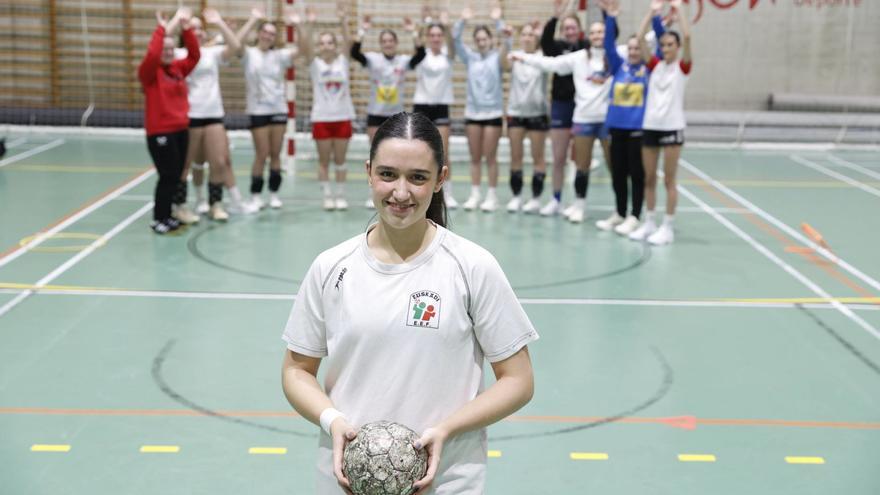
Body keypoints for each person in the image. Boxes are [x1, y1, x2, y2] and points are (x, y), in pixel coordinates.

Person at [281, 112, 537, 495]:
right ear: (368, 172)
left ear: (440, 180)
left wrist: (446, 430)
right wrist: (332, 420)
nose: (401, 192)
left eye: (417, 177)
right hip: (346, 484)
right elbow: (297, 370)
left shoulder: (472, 267)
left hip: (447, 481)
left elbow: (518, 380)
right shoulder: (331, 267)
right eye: (387, 174)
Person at [513, 21, 612, 224]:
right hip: (577, 113)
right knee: (572, 162)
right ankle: (569, 202)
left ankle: (623, 211)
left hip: (605, 117)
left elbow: (638, 45)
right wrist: (522, 56)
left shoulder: (614, 54)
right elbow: (550, 63)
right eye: (594, 32)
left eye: (601, 31)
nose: (597, 35)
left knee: (616, 166)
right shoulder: (574, 56)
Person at [174, 8, 257, 222]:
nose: (198, 32)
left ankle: (215, 204)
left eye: (201, 29)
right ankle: (182, 205)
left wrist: (219, 22)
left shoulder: (211, 53)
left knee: (219, 161)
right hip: (190, 116)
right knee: (187, 164)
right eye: (193, 29)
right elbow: (162, 40)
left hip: (213, 115)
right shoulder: (178, 54)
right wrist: (178, 20)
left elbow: (236, 46)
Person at [628, 0, 692, 245]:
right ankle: (649, 223)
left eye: (670, 45)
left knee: (669, 180)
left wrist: (680, 9)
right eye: (663, 44)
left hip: (673, 128)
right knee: (649, 178)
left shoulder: (682, 67)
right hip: (651, 126)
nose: (666, 48)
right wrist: (652, 12)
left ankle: (668, 226)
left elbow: (687, 36)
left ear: (677, 47)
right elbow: (641, 37)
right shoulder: (654, 66)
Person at [594, 0, 659, 235]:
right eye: (630, 48)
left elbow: (658, 44)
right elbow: (609, 45)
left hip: (637, 131)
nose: (632, 52)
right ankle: (620, 212)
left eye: (636, 48)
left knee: (636, 175)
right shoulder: (619, 66)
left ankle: (634, 215)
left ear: (642, 50)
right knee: (618, 174)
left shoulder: (649, 69)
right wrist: (610, 18)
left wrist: (655, 16)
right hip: (616, 130)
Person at [349, 13, 426, 208]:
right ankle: (372, 192)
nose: (388, 43)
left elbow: (421, 55)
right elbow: (355, 53)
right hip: (375, 114)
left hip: (396, 117)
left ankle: (396, 190)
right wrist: (362, 30)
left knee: (396, 156)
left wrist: (413, 33)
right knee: (376, 155)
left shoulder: (402, 61)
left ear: (396, 43)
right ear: (381, 43)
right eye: (384, 41)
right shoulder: (373, 60)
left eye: (391, 40)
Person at [138, 7, 199, 234]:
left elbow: (194, 55)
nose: (168, 52)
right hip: (160, 132)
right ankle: (159, 218)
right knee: (168, 175)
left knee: (177, 175)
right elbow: (153, 54)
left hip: (181, 129)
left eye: (172, 49)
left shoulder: (178, 69)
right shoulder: (149, 73)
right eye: (165, 48)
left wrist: (187, 29)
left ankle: (169, 214)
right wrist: (161, 29)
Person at [236, 8, 300, 210]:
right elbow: (235, 43)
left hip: (278, 109)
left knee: (275, 153)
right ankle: (256, 194)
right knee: (261, 153)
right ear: (259, 33)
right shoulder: (249, 54)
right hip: (257, 111)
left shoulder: (280, 56)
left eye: (272, 34)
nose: (268, 36)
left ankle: (274, 193)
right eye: (265, 32)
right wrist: (252, 19)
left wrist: (298, 25)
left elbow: (305, 50)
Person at [452, 4, 510, 212]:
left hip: (493, 113)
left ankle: (491, 195)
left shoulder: (497, 57)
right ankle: (475, 194)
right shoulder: (470, 58)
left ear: (490, 40)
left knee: (490, 156)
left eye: (484, 39)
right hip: (473, 114)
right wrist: (462, 20)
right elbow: (456, 40)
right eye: (478, 40)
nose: (481, 42)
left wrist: (498, 21)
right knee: (475, 157)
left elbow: (508, 43)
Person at [302, 4, 354, 211]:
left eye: (330, 42)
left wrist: (342, 20)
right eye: (322, 43)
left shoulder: (343, 62)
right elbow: (305, 46)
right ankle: (327, 195)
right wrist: (310, 25)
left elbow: (349, 42)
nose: (326, 46)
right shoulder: (315, 65)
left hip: (342, 117)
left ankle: (340, 195)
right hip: (322, 118)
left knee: (340, 160)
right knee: (324, 161)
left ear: (335, 45)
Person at [539, 0, 588, 217]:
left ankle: (578, 201)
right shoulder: (557, 48)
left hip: (581, 106)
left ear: (579, 30)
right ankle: (556, 199)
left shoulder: (586, 48)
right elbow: (545, 42)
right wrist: (555, 18)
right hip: (560, 106)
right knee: (558, 158)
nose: (569, 31)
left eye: (573, 28)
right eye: (566, 28)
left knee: (579, 160)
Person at [502, 22, 548, 213]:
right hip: (516, 113)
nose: (528, 38)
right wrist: (506, 39)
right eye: (525, 35)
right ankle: (516, 196)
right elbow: (504, 65)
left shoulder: (543, 58)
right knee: (516, 156)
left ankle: (536, 198)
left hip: (537, 114)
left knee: (538, 157)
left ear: (536, 38)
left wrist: (543, 33)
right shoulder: (514, 56)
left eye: (531, 35)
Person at [413, 8, 457, 209]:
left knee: (443, 151)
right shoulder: (422, 55)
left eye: (439, 35)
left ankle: (447, 191)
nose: (436, 38)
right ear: (428, 37)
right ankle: (420, 187)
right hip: (421, 106)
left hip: (441, 107)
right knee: (420, 150)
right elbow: (418, 44)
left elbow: (452, 43)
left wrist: (447, 27)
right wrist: (423, 23)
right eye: (432, 35)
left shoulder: (448, 55)